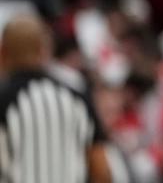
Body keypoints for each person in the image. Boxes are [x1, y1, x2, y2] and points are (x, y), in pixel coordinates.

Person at [0, 13, 112, 182]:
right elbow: (101, 170)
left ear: (3, 52)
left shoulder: (4, 99)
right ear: (44, 50)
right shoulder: (76, 98)